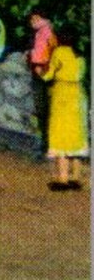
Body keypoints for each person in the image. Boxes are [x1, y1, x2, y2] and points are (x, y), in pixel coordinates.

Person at [41, 36, 87, 190]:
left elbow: (49, 75)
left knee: (60, 135)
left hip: (62, 94)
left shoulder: (59, 52)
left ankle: (62, 179)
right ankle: (76, 177)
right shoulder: (80, 55)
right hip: (78, 95)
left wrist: (40, 71)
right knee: (76, 136)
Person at [29, 13, 58, 158]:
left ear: (44, 19)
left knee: (45, 109)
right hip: (37, 71)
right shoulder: (38, 33)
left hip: (44, 73)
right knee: (40, 110)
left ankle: (47, 144)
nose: (33, 22)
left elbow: (54, 51)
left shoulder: (48, 32)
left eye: (36, 19)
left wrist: (45, 67)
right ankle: (44, 143)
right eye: (32, 19)